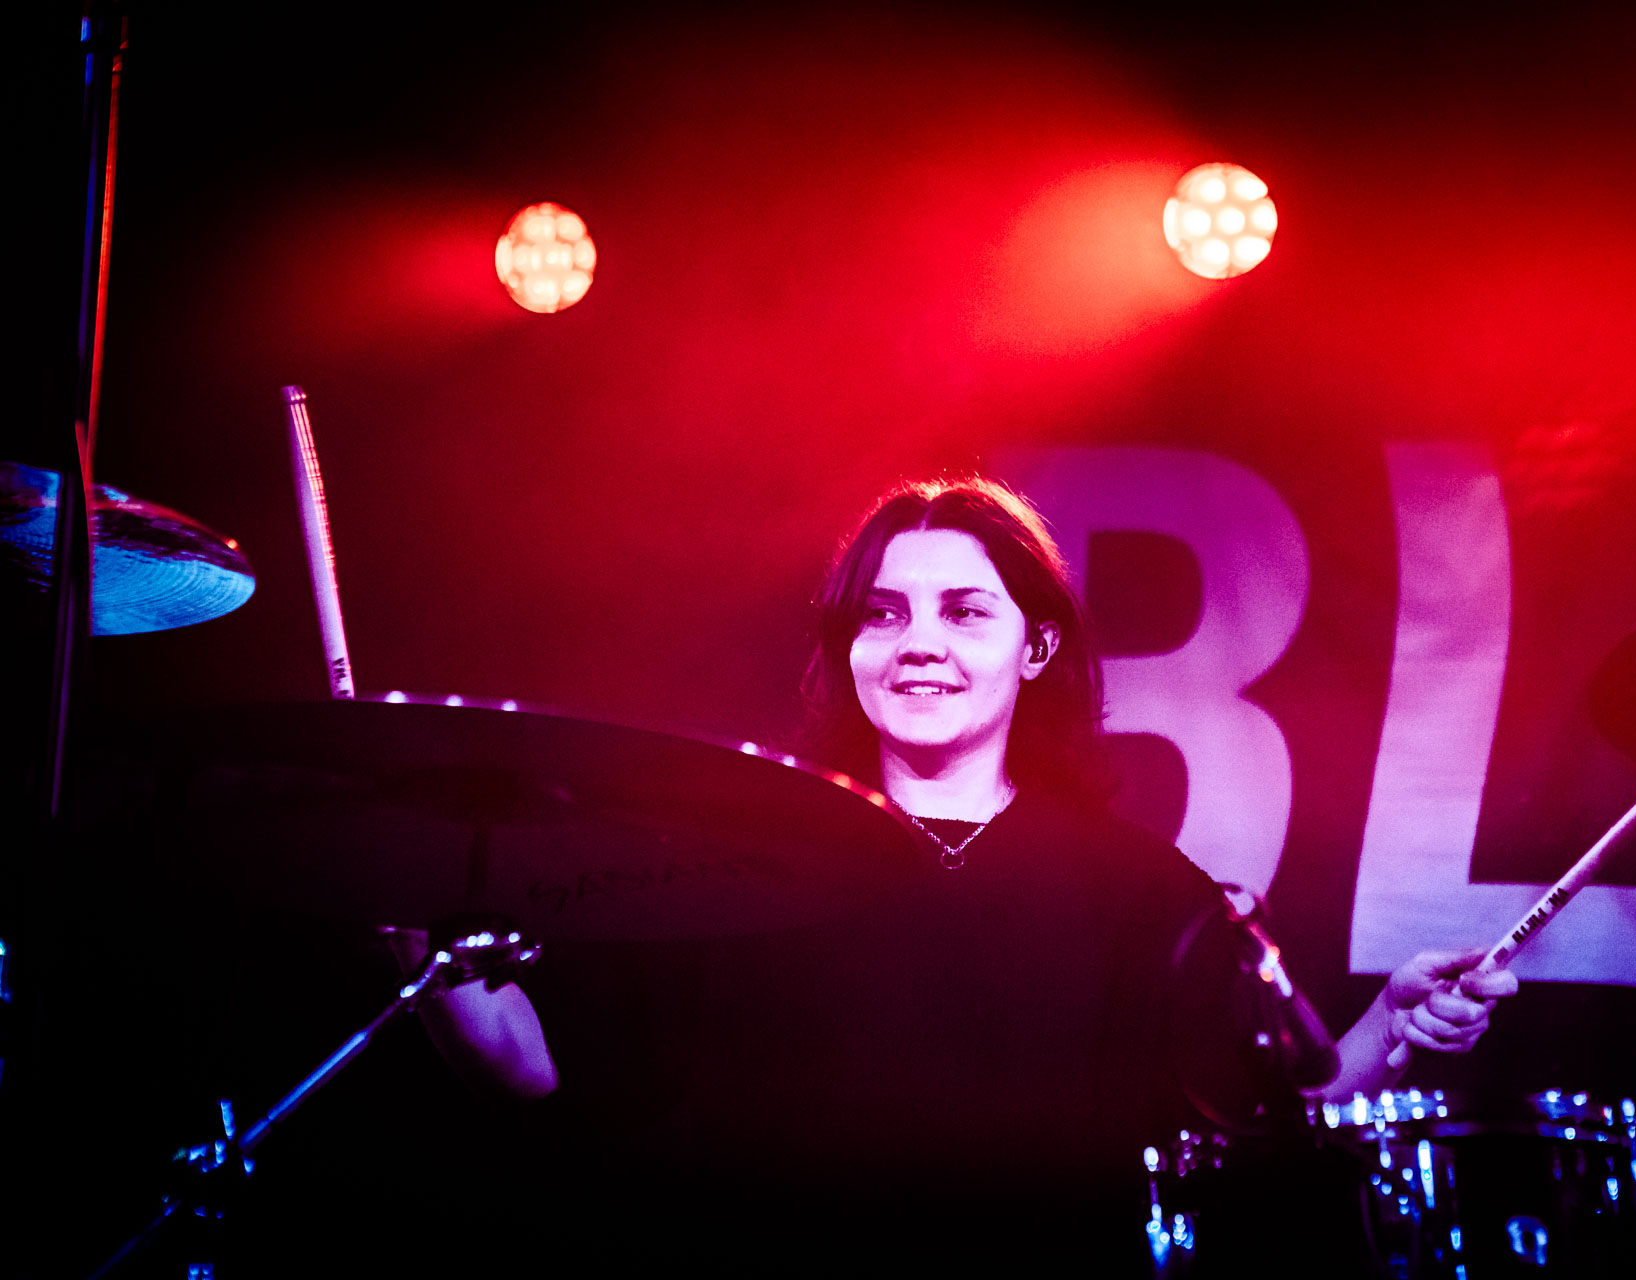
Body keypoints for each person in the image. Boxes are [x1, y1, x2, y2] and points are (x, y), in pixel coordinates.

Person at [397, 475, 1516, 1259]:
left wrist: (1392, 1024)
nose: (918, 642)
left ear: (1036, 648)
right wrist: (398, 904)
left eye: (965, 611)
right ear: (849, 647)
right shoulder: (732, 859)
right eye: (882, 614)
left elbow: (1273, 1113)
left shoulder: (1140, 888)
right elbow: (530, 1067)